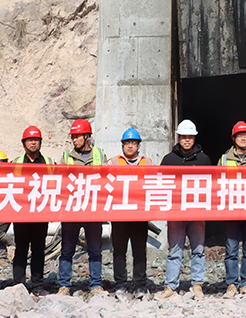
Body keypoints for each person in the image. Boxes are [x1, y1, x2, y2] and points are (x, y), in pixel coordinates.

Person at [157, 119, 212, 301]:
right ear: (178, 138)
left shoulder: (203, 160)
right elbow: (160, 184)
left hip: (197, 212)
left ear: (194, 138)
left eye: (190, 137)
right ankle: (171, 286)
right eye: (183, 137)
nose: (187, 140)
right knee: (174, 251)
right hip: (176, 213)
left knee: (198, 250)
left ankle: (197, 285)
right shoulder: (168, 160)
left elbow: (212, 185)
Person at [58, 119, 109, 297]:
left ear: (87, 136)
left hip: (93, 210)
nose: (74, 140)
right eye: (73, 137)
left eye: (77, 136)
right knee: (67, 249)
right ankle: (64, 285)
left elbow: (107, 180)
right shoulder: (66, 157)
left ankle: (95, 285)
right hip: (71, 210)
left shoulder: (100, 155)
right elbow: (59, 181)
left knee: (95, 249)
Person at [219, 121, 246, 298]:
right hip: (231, 210)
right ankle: (231, 284)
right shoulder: (224, 159)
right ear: (234, 138)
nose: (243, 138)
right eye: (239, 135)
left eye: (245, 135)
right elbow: (216, 182)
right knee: (231, 249)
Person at [11, 126, 54, 294]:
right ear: (24, 143)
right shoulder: (16, 162)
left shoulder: (49, 162)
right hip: (21, 213)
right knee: (21, 248)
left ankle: (37, 285)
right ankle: (18, 285)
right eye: (30, 140)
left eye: (36, 140)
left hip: (41, 212)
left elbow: (58, 182)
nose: (33, 143)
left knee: (38, 249)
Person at [112, 128, 151, 297]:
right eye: (127, 143)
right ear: (122, 145)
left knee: (139, 251)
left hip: (140, 214)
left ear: (138, 145)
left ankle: (140, 284)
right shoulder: (113, 162)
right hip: (119, 214)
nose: (130, 146)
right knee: (119, 251)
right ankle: (120, 284)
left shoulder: (147, 162)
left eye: (133, 142)